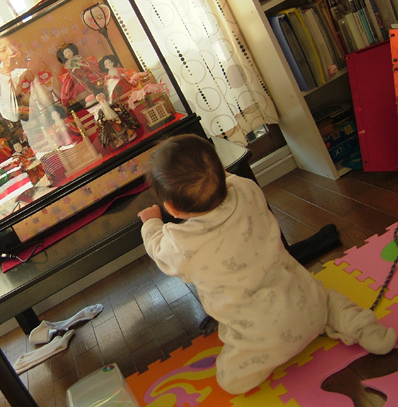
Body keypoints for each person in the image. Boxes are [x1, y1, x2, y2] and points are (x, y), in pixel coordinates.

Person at [137, 134, 397, 395]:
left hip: (263, 338)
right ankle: (368, 332)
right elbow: (228, 179)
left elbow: (158, 249)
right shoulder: (247, 190)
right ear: (222, 172)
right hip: (307, 301)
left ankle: (271, 357)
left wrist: (151, 223)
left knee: (229, 381)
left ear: (172, 208)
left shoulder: (181, 245)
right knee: (329, 302)